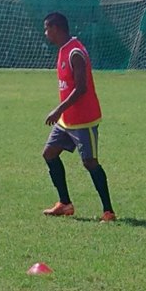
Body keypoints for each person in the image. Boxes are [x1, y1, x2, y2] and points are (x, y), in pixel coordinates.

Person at [41, 12, 115, 222]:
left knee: (90, 162)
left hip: (84, 119)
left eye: (47, 29)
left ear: (56, 28)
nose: (45, 33)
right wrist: (62, 113)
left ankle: (108, 211)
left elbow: (82, 88)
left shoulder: (75, 53)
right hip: (67, 120)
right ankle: (65, 204)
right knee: (49, 154)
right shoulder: (63, 50)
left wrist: (58, 109)